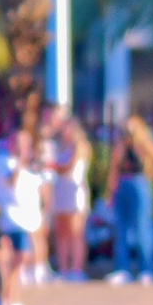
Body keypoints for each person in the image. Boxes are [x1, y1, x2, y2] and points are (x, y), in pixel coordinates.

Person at [104, 115, 153, 286]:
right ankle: (122, 269)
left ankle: (146, 270)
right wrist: (110, 193)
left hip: (138, 184)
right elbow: (114, 169)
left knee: (142, 228)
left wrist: (150, 175)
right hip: (122, 185)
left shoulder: (143, 145)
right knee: (121, 229)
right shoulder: (120, 146)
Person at [0, 130, 39, 305]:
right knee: (12, 259)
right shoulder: (2, 162)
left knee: (19, 260)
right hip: (9, 219)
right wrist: (22, 162)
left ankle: (10, 300)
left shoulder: (21, 163)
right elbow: (10, 183)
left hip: (23, 218)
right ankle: (6, 300)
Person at [51, 117, 91, 280]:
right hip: (60, 190)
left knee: (75, 231)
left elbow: (68, 166)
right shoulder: (58, 146)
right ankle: (63, 268)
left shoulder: (80, 145)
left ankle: (76, 268)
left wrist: (52, 166)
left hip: (74, 191)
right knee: (61, 232)